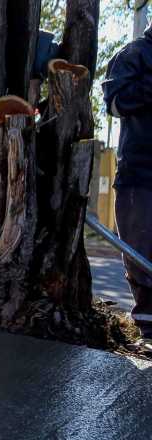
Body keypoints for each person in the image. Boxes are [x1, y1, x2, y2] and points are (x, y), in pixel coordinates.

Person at [102, 22, 152, 336]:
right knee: (141, 249)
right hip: (141, 174)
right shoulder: (134, 54)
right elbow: (115, 103)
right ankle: (148, 325)